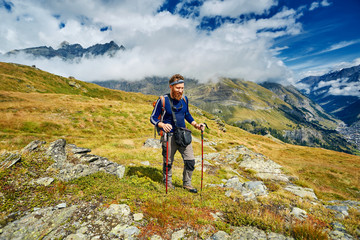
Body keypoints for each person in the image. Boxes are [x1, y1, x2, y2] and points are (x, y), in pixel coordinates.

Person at [150, 74, 205, 193]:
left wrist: (196, 124)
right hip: (168, 136)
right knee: (168, 162)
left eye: (182, 88)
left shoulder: (185, 99)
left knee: (190, 161)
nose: (180, 91)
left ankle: (187, 184)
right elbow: (153, 118)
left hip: (183, 135)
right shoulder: (163, 100)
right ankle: (167, 182)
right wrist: (162, 125)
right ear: (171, 87)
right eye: (177, 88)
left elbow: (187, 115)